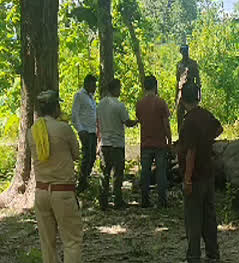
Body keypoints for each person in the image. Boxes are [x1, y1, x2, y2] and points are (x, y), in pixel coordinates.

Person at [26, 90, 87, 263]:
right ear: (55, 108)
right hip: (62, 191)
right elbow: (77, 154)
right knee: (72, 239)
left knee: (47, 240)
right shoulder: (63, 129)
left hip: (41, 191)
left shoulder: (33, 131)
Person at [178, 86, 224, 263]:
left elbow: (191, 152)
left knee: (193, 217)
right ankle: (213, 253)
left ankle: (194, 257)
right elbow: (219, 128)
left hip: (196, 174)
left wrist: (187, 179)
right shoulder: (205, 115)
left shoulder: (189, 122)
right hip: (208, 172)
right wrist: (207, 140)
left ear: (182, 100)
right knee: (209, 216)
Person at [96, 79, 137, 209]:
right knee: (118, 173)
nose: (120, 91)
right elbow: (127, 122)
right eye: (119, 88)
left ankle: (103, 200)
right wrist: (137, 121)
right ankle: (118, 200)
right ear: (114, 89)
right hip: (117, 144)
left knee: (105, 172)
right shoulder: (119, 105)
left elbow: (97, 123)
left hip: (105, 143)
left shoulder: (100, 104)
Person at [136, 75, 172, 209]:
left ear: (144, 87)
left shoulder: (139, 104)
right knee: (161, 173)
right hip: (160, 144)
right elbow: (166, 124)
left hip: (145, 143)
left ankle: (145, 200)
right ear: (155, 86)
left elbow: (140, 120)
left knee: (145, 173)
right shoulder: (161, 103)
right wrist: (169, 140)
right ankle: (162, 201)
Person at [71, 75, 98, 193]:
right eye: (93, 85)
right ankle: (81, 183)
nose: (95, 87)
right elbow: (74, 115)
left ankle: (85, 179)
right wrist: (80, 130)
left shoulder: (91, 98)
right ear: (87, 84)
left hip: (93, 131)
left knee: (92, 157)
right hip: (85, 131)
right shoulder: (79, 96)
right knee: (87, 156)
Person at [175, 44, 201, 126]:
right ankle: (181, 133)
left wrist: (199, 93)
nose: (185, 53)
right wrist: (176, 95)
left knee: (194, 113)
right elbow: (177, 80)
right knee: (180, 112)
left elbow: (198, 79)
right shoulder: (179, 64)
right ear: (181, 52)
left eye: (186, 51)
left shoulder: (193, 63)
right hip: (182, 90)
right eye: (183, 51)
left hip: (192, 90)